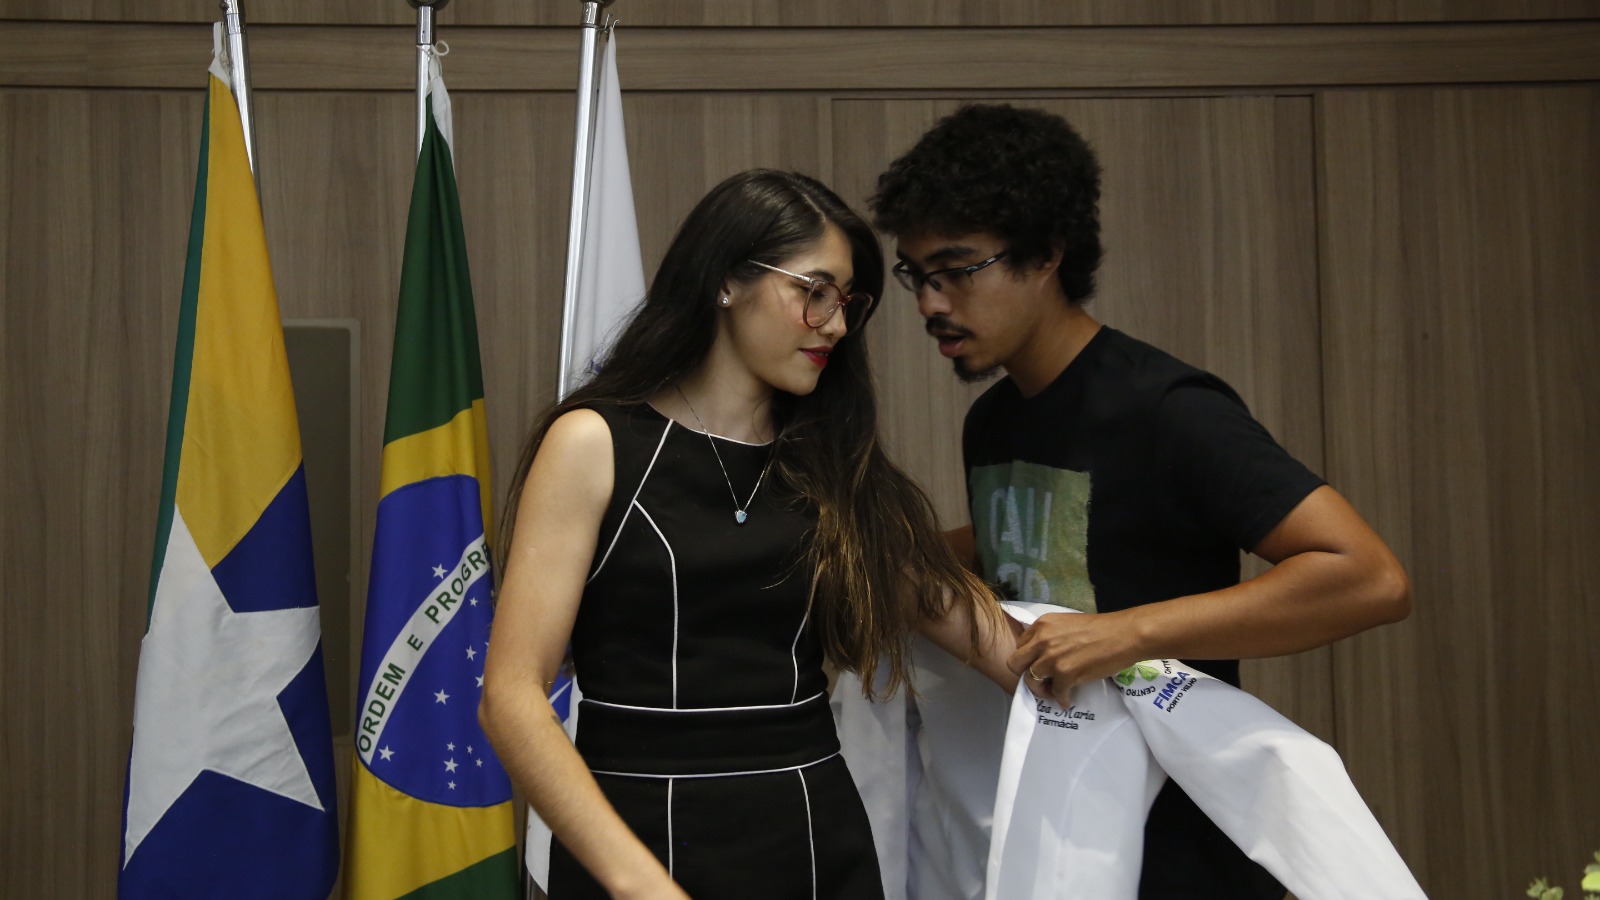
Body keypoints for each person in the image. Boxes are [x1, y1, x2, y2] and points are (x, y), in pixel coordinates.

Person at [867, 104, 1412, 899]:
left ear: (1046, 254)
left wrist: (1128, 633)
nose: (930, 303)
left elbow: (1369, 577)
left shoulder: (1167, 409)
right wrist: (878, 552)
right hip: (1061, 825)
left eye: (957, 270)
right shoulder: (993, 419)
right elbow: (1040, 547)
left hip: (1185, 843)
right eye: (917, 276)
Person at [479, 169, 1017, 900]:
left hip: (815, 839)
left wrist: (1136, 667)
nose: (835, 324)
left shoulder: (834, 461)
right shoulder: (593, 442)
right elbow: (511, 695)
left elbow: (979, 633)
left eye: (847, 302)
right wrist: (640, 886)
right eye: (814, 292)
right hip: (636, 843)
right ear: (727, 281)